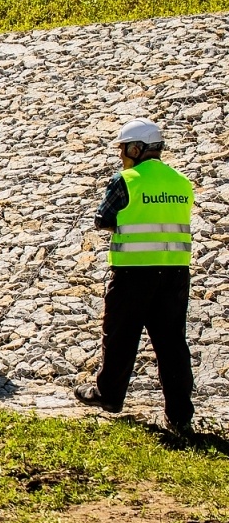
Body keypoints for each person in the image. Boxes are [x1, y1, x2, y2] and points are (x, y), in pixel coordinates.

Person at [76, 119, 196, 435]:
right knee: (171, 343)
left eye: (123, 150)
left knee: (120, 336)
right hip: (175, 272)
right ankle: (180, 415)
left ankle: (110, 396)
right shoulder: (181, 182)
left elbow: (103, 218)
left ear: (135, 148)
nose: (121, 156)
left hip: (133, 272)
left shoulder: (126, 180)